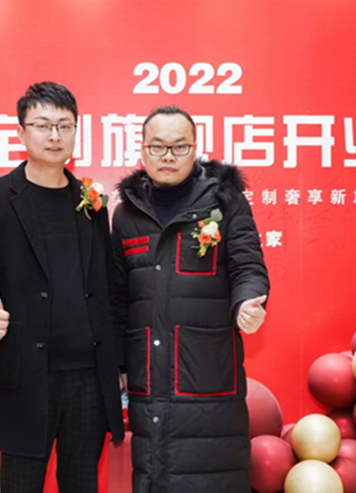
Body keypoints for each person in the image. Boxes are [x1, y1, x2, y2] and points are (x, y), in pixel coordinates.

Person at [0, 82, 124, 493]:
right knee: (21, 485)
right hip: (25, 374)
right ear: (21, 132)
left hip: (87, 377)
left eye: (64, 126)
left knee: (82, 484)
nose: (54, 136)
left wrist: (118, 364)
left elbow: (109, 287)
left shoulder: (91, 202)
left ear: (75, 132)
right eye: (43, 125)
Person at [110, 105, 270, 493]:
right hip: (149, 377)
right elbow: (117, 297)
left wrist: (248, 302)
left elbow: (248, 266)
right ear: (143, 149)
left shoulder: (225, 202)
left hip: (208, 373)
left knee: (215, 478)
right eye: (158, 146)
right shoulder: (127, 215)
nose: (168, 156)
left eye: (179, 147)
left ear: (195, 148)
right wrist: (120, 363)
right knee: (154, 476)